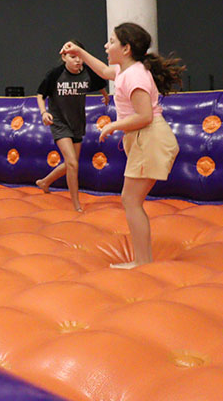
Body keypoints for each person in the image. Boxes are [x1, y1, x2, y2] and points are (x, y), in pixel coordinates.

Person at [62, 23, 183, 268]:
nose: (107, 46)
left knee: (130, 201)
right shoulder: (126, 70)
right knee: (131, 200)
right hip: (144, 139)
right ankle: (142, 259)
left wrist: (113, 125)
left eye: (112, 42)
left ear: (126, 48)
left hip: (149, 138)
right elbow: (105, 71)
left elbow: (145, 115)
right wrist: (79, 52)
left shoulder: (135, 76)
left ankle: (142, 261)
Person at [35, 40, 110, 211]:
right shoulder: (55, 74)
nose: (77, 61)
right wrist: (44, 112)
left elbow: (100, 83)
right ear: (64, 57)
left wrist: (105, 96)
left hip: (77, 122)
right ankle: (76, 204)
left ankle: (44, 182)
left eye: (79, 57)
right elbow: (40, 94)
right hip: (59, 122)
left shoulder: (87, 73)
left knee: (71, 163)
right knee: (72, 164)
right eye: (73, 57)